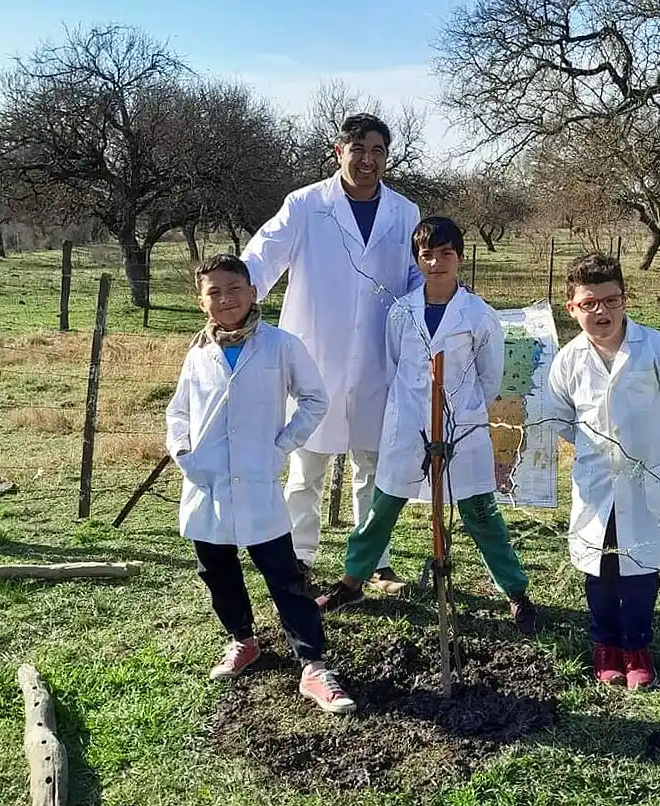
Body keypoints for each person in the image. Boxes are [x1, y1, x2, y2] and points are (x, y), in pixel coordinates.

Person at [316, 216, 538, 635]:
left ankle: (515, 592)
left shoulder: (478, 315)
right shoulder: (401, 311)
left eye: (446, 254)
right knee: (382, 508)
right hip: (408, 424)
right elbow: (393, 364)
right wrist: (413, 406)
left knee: (480, 513)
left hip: (462, 427)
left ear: (460, 257)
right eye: (427, 254)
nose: (436, 263)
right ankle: (352, 581)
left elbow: (490, 376)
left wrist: (463, 409)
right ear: (417, 259)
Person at [166, 253, 355, 714]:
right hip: (206, 485)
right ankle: (243, 640)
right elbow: (178, 412)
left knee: (284, 576)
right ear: (201, 302)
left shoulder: (280, 346)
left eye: (234, 289)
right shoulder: (198, 354)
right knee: (217, 572)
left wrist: (281, 446)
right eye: (214, 292)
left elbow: (314, 399)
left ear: (253, 294)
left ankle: (313, 665)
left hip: (257, 481)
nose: (226, 299)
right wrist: (185, 453)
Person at [241, 113, 421, 593]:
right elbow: (264, 255)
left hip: (378, 359)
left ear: (387, 157)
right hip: (314, 356)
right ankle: (299, 558)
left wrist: (439, 306)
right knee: (305, 468)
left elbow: (417, 274)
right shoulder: (306, 205)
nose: (367, 160)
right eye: (357, 149)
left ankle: (374, 562)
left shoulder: (404, 212)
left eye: (377, 151)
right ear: (338, 152)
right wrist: (235, 297)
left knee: (374, 468)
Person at [546, 253, 660, 689]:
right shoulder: (568, 361)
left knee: (642, 564)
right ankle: (606, 644)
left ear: (625, 300)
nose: (601, 312)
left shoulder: (658, 350)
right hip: (597, 481)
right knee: (599, 565)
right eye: (588, 303)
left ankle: (637, 646)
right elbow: (560, 419)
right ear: (572, 308)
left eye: (610, 301)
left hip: (649, 477)